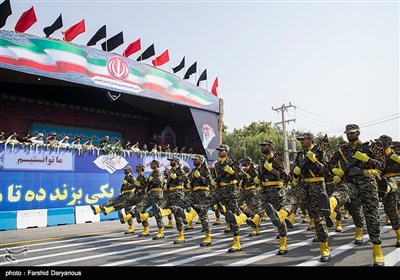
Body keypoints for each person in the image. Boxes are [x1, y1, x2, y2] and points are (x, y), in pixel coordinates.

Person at [319, 124, 385, 266]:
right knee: (342, 191)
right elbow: (329, 164)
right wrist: (336, 171)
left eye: (352, 133)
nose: (349, 136)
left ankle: (377, 251)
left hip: (367, 182)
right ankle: (330, 205)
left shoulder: (369, 148)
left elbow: (381, 165)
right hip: (351, 181)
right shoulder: (342, 150)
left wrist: (368, 159)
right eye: (347, 133)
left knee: (372, 216)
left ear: (358, 133)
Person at [265, 132, 332, 262]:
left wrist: (315, 161)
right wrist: (295, 174)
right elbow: (293, 171)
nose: (301, 142)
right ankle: (281, 215)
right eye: (300, 140)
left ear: (311, 140)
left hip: (317, 185)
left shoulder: (320, 151)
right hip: (303, 184)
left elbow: (327, 171)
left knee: (318, 217)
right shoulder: (300, 155)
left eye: (304, 139)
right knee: (292, 198)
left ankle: (325, 248)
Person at [90, 165, 137, 234]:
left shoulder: (132, 177)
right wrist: (122, 189)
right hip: (124, 194)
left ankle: (131, 228)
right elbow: (124, 186)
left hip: (130, 194)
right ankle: (100, 208)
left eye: (126, 169)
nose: (124, 170)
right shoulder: (125, 177)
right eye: (124, 169)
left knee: (127, 211)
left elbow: (135, 185)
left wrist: (127, 184)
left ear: (129, 170)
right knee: (113, 201)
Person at [377, 135, 400, 247]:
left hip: (397, 179)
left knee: (393, 182)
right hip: (384, 180)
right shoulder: (378, 155)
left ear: (389, 142)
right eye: (380, 140)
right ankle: (399, 234)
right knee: (391, 210)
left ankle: (385, 188)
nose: (381, 142)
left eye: (384, 140)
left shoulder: (396, 154)